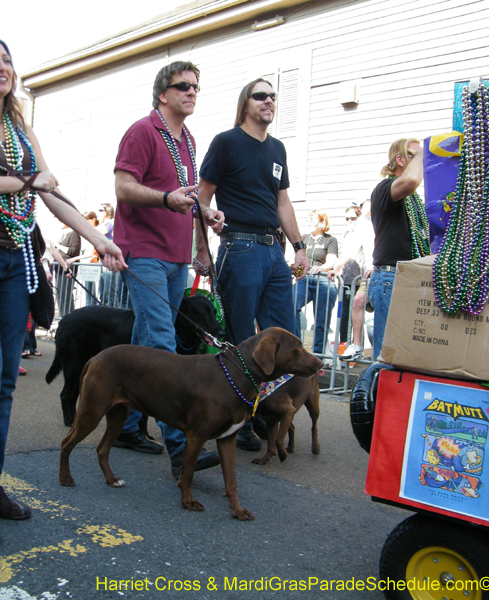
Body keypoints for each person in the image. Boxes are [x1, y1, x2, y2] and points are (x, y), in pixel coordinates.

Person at [0, 33, 125, 546]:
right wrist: (25, 182)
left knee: (6, 381)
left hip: (16, 258)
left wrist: (100, 238)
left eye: (7, 59)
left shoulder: (20, 127)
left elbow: (51, 191)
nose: (2, 67)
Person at [112, 60, 225, 475]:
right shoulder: (142, 131)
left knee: (144, 342)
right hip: (144, 252)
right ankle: (181, 448)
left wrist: (206, 213)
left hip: (177, 256)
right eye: (183, 86)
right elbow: (123, 188)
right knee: (162, 344)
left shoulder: (189, 139)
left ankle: (125, 423)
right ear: (163, 93)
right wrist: (164, 199)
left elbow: (187, 194)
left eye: (196, 86)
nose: (191, 92)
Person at [195, 78, 309, 450]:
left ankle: (265, 411)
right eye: (261, 95)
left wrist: (300, 246)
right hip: (239, 246)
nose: (269, 101)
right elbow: (203, 196)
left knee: (285, 337)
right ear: (246, 102)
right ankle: (237, 421)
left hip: (274, 250)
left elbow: (283, 203)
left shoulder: (277, 148)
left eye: (273, 96)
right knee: (241, 338)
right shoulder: (226, 142)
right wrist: (201, 248)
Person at [366, 138, 426, 361]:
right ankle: (377, 396)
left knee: (405, 355)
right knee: (386, 356)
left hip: (408, 278)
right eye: (414, 155)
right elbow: (410, 180)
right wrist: (426, 151)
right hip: (391, 279)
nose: (421, 159)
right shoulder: (384, 189)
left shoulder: (414, 201)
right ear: (400, 160)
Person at [333, 200, 375, 362]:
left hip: (374, 273)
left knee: (372, 318)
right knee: (351, 308)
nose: (350, 221)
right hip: (356, 277)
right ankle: (353, 346)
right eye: (347, 218)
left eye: (353, 217)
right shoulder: (357, 228)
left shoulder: (375, 222)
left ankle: (375, 350)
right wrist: (337, 268)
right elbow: (350, 248)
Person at [293, 210, 338, 356]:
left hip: (322, 279)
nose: (311, 222)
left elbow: (331, 261)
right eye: (309, 219)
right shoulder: (304, 238)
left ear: (322, 222)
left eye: (314, 219)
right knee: (292, 306)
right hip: (304, 279)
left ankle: (318, 354)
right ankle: (296, 349)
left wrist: (321, 268)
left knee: (321, 319)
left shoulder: (329, 240)